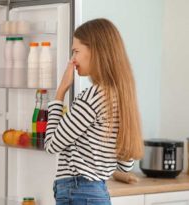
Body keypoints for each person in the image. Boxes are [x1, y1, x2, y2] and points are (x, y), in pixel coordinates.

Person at [44, 18, 144, 205]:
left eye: (76, 51)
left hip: (78, 191)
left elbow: (51, 144)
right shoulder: (121, 96)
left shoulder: (92, 97)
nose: (73, 59)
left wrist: (60, 92)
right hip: (97, 192)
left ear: (95, 51)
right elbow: (125, 165)